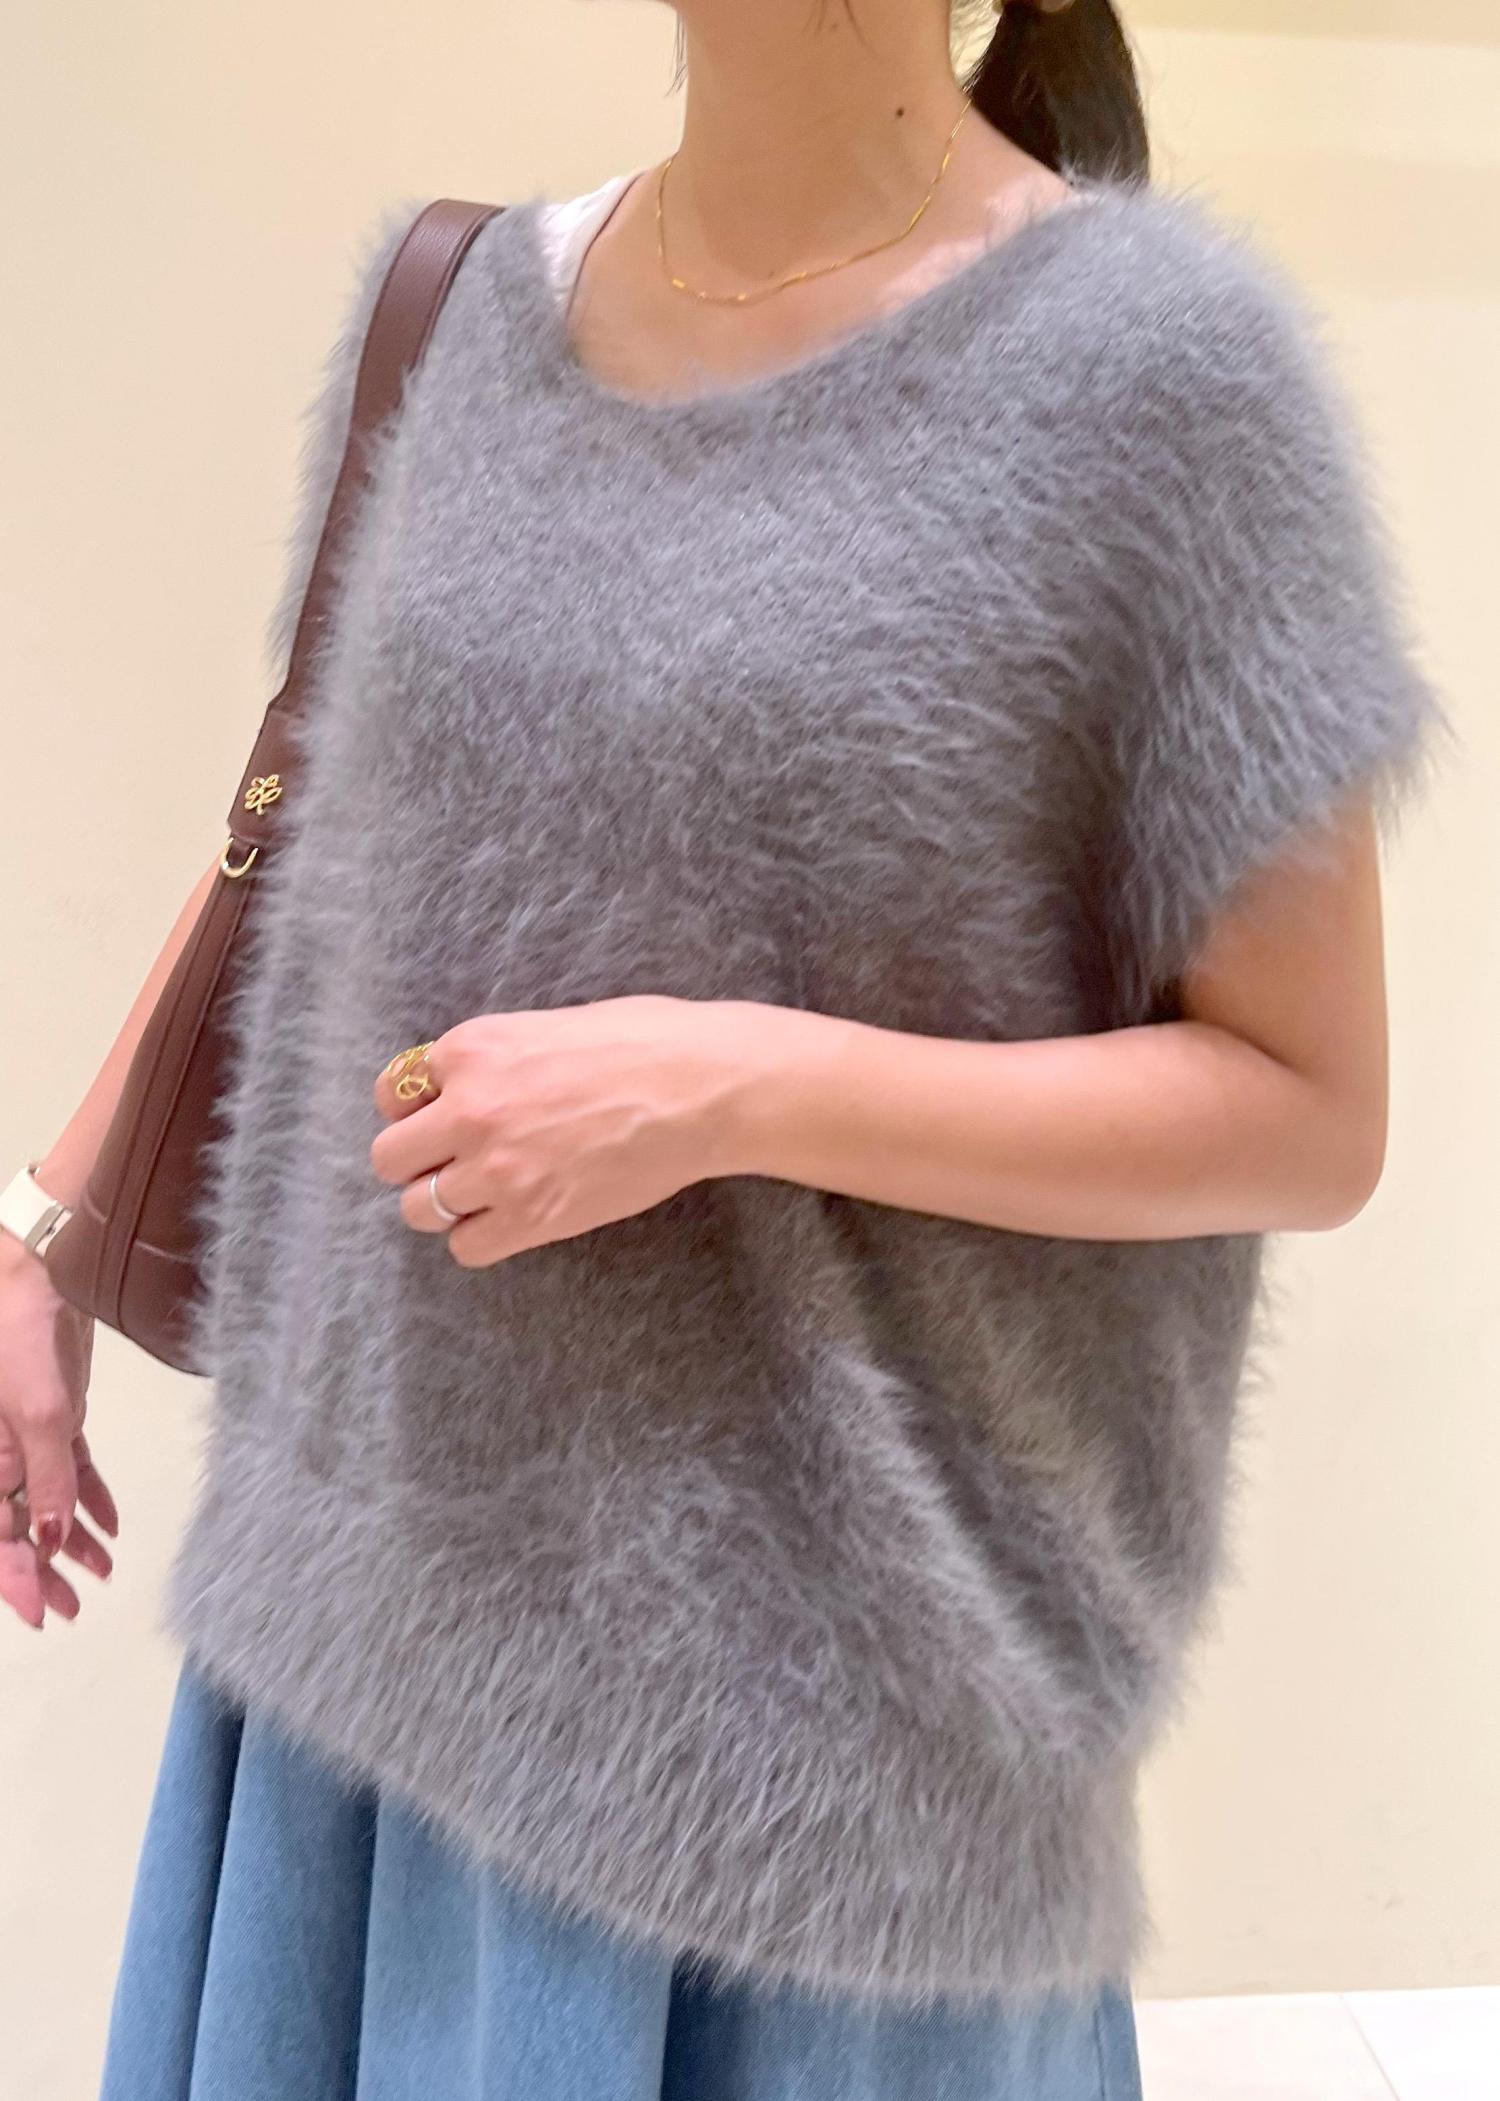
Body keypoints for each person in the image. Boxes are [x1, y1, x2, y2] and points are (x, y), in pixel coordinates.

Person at [0, 0, 1449, 2095]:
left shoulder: (1167, 381)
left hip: (833, 1750)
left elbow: (1310, 1106)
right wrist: (46, 1229)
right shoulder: (454, 305)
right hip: (360, 1664)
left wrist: (730, 1085)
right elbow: (312, 831)